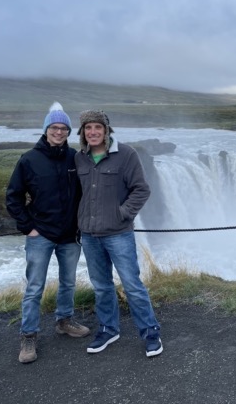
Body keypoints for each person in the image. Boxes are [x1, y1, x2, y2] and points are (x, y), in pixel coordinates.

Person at [6, 102, 90, 364]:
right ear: (45, 129)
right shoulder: (29, 160)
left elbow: (87, 192)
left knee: (68, 282)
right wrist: (27, 227)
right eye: (55, 127)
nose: (59, 132)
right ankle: (28, 335)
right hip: (40, 234)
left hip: (70, 235)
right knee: (34, 287)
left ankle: (64, 321)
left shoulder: (74, 158)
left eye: (64, 128)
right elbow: (13, 197)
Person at [75, 109, 162, 357]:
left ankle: (150, 331)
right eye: (87, 128)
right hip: (90, 235)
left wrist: (122, 213)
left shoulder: (126, 155)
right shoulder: (79, 158)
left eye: (97, 128)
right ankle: (108, 329)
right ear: (82, 132)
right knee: (101, 286)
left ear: (106, 130)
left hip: (118, 233)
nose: (92, 132)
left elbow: (141, 190)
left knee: (132, 284)